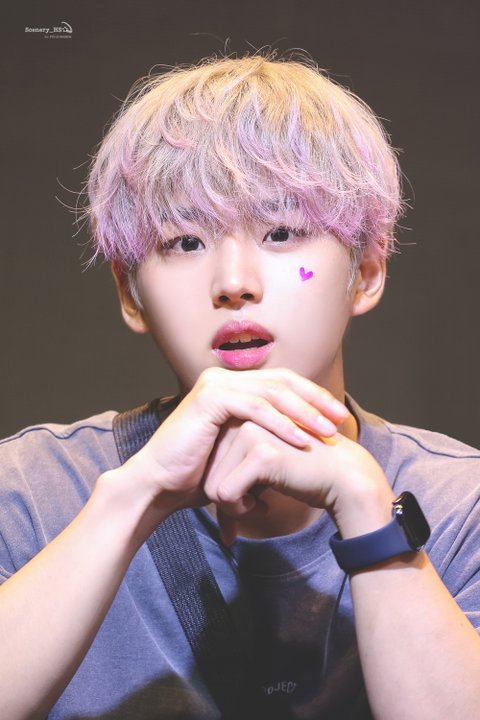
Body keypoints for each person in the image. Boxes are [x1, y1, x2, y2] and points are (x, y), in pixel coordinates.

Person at [0, 53, 479, 720]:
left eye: (281, 232)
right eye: (185, 242)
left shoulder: (460, 507)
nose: (233, 282)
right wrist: (134, 496)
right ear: (130, 294)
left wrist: (368, 510)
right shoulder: (31, 492)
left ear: (367, 270)